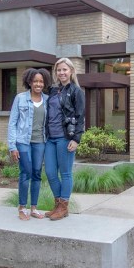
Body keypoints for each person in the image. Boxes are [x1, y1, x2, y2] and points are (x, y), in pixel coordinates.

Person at [44, 57, 85, 221]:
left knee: (65, 173)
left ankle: (63, 207)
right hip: (50, 138)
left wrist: (76, 139)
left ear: (71, 71)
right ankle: (58, 204)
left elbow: (80, 117)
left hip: (65, 137)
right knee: (50, 172)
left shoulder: (76, 91)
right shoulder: (53, 91)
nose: (61, 72)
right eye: (59, 70)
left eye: (64, 69)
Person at [8, 68, 51, 220]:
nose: (38, 84)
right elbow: (12, 123)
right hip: (23, 142)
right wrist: (12, 146)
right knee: (25, 173)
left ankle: (34, 207)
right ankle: (22, 208)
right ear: (30, 82)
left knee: (37, 174)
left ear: (44, 83)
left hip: (40, 142)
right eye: (35, 81)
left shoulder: (47, 99)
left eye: (41, 81)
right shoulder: (20, 98)